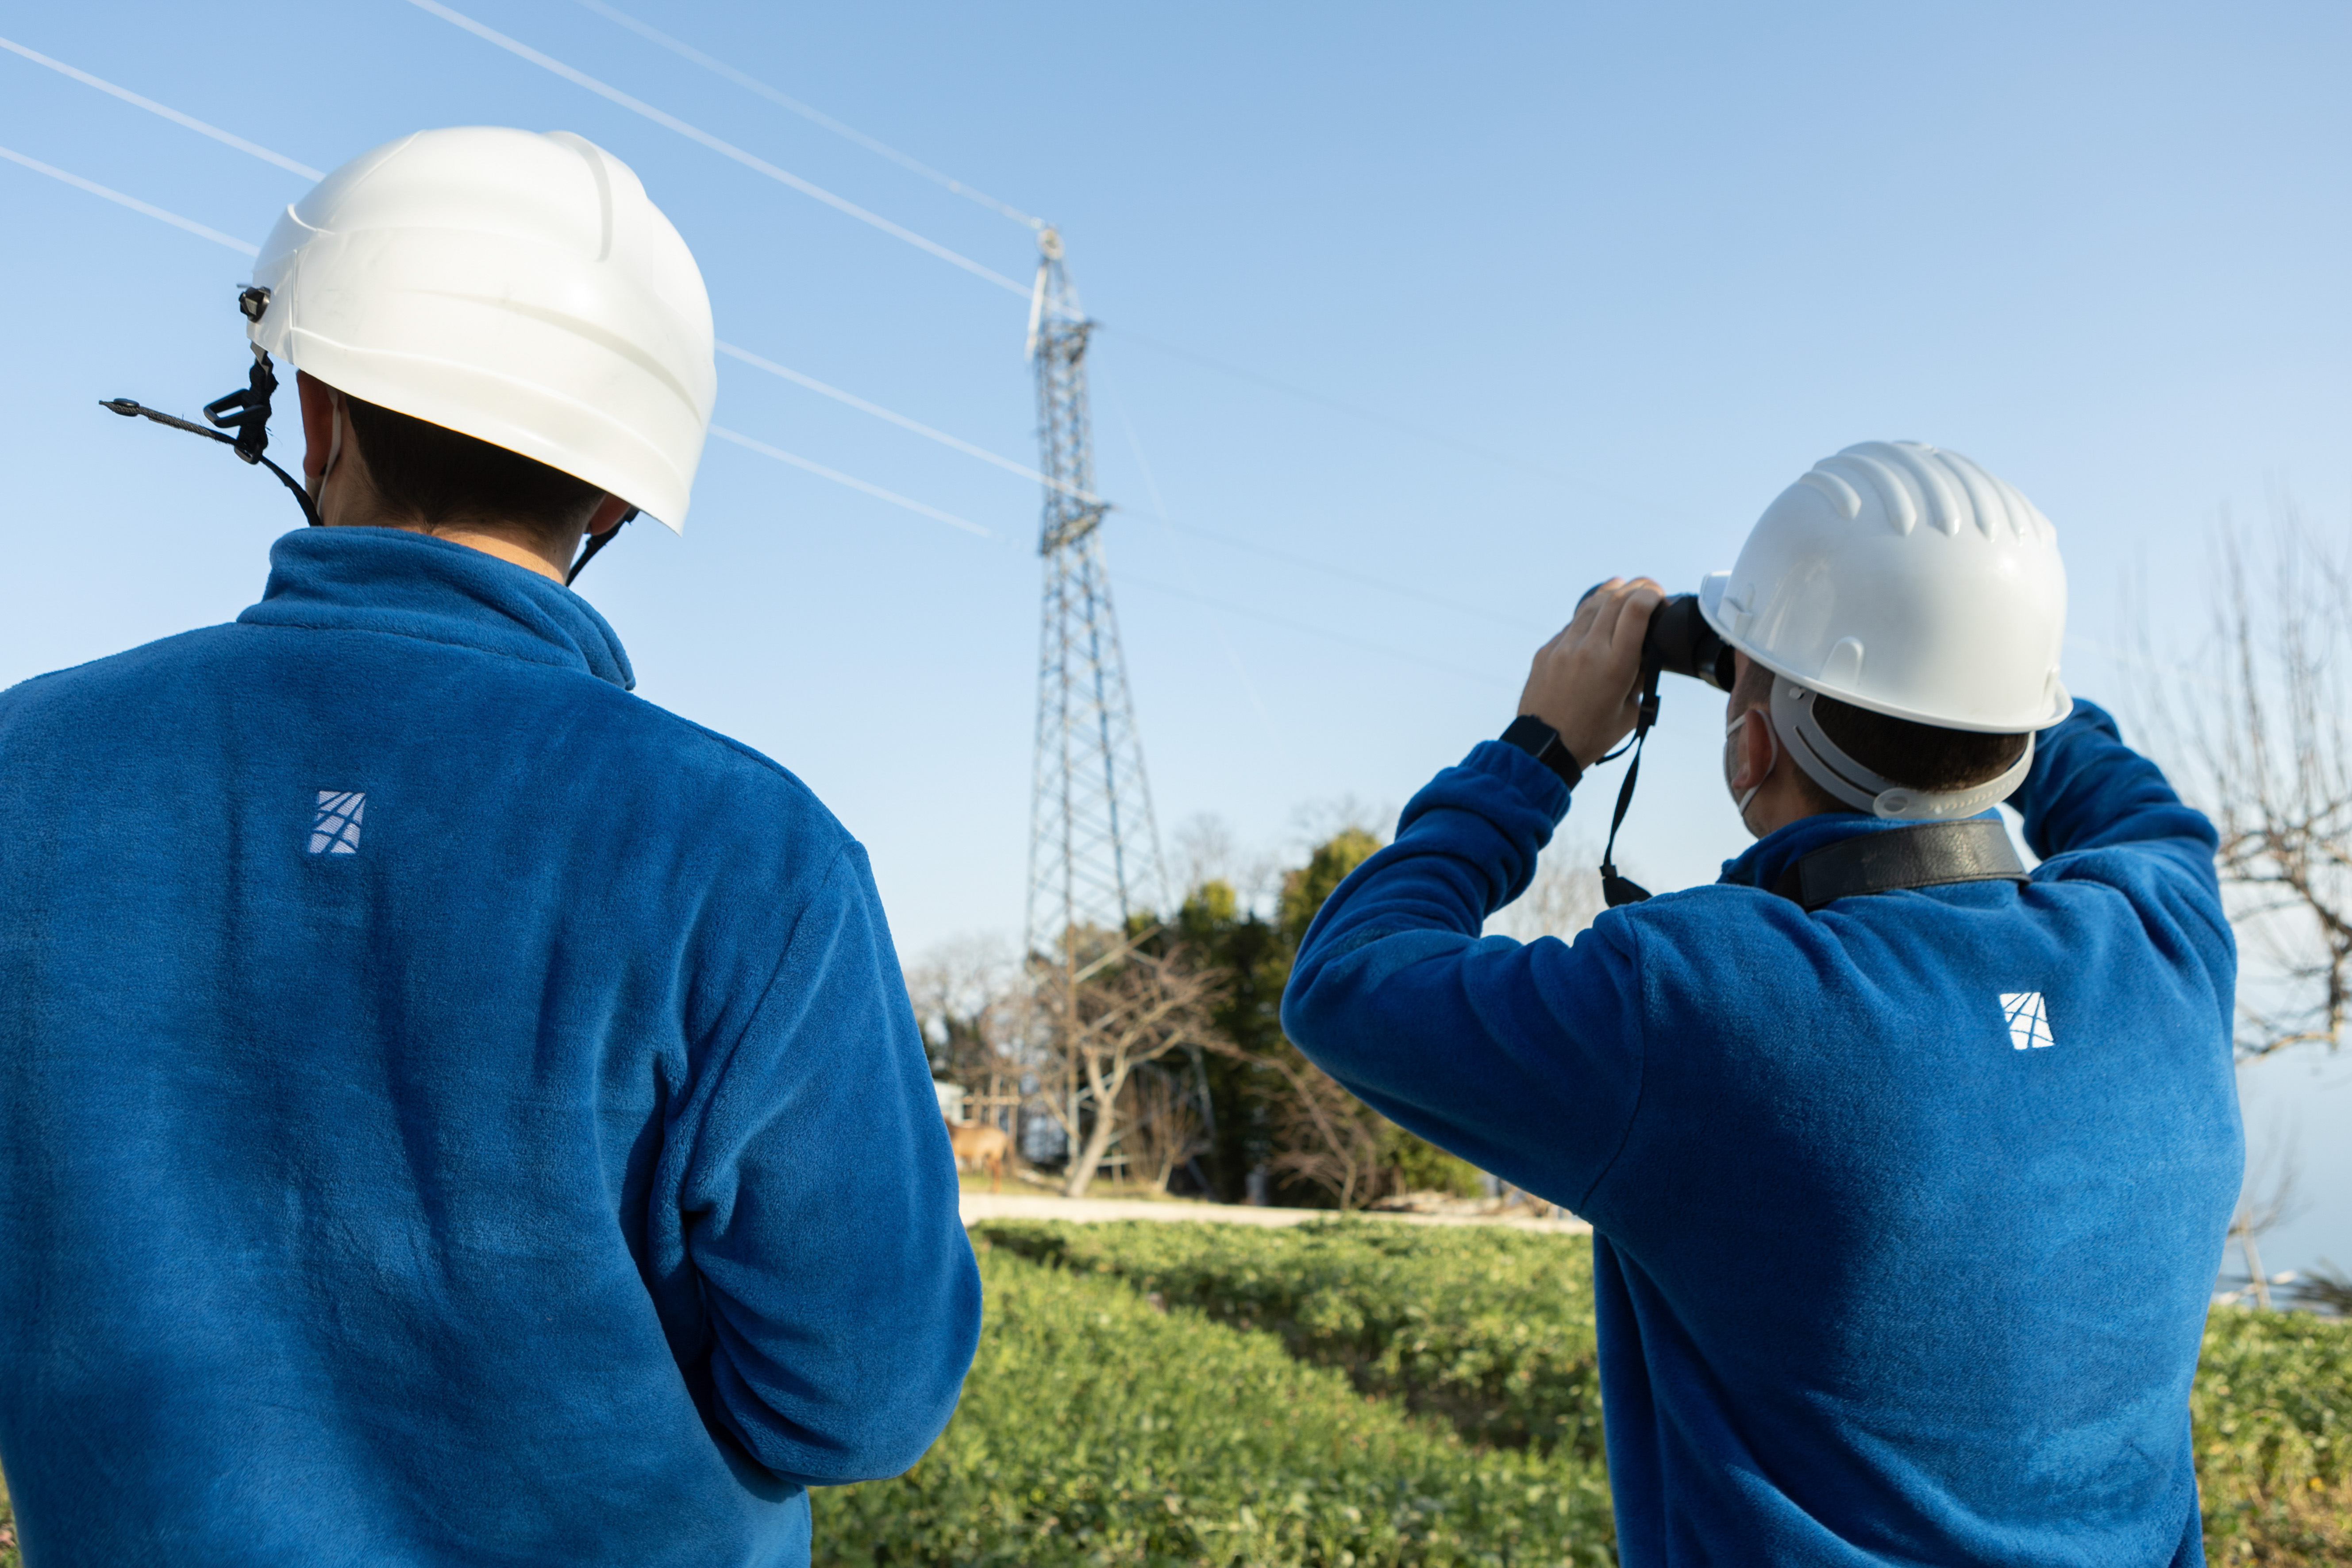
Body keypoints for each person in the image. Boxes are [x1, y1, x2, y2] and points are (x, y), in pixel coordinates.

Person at [0, 127, 980, 1567]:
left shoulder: (27, 767)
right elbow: (860, 1404)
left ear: (314, 406)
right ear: (617, 494)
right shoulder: (755, 862)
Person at [1282, 441, 2240, 1566]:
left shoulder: (1703, 1003)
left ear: (1752, 740)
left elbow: (1350, 978)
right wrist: (1960, 652)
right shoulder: (2165, 942)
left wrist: (1536, 749)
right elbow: (2126, 798)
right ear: (2020, 722)